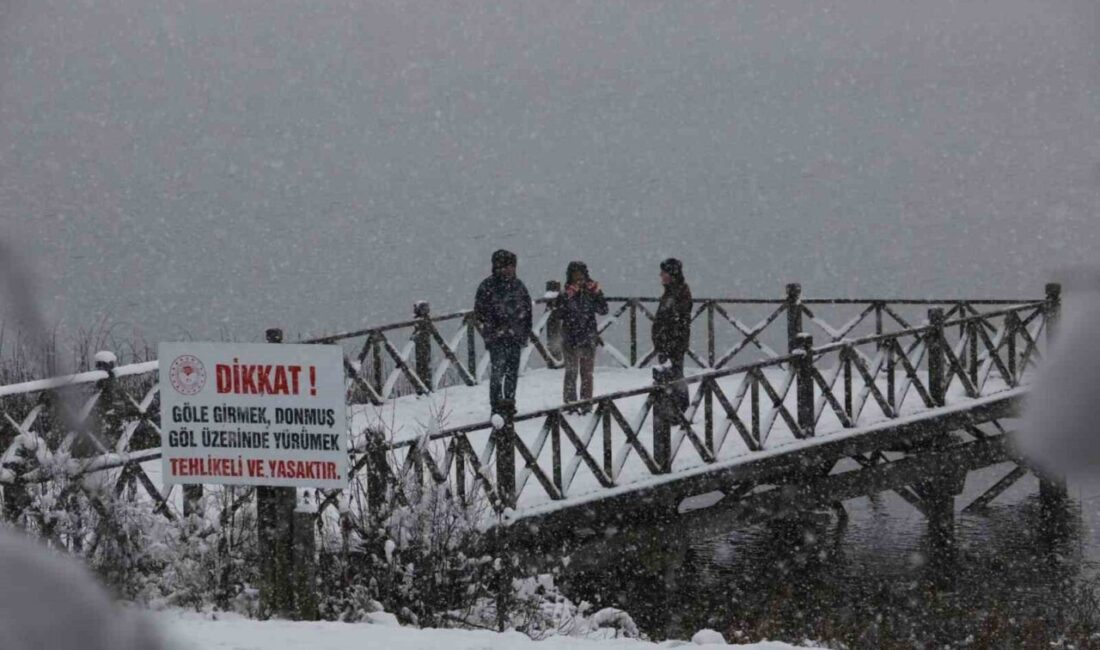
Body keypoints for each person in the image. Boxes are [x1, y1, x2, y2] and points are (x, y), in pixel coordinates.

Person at [474, 249, 533, 415]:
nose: (508, 270)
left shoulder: (519, 286)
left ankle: (509, 402)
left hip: (515, 337)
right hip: (497, 338)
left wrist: (524, 333)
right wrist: (494, 326)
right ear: (496, 267)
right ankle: (496, 405)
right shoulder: (487, 286)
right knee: (498, 373)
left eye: (510, 266)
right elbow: (479, 312)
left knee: (512, 373)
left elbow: (527, 311)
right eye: (504, 266)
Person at [556, 261, 608, 411]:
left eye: (581, 274)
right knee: (571, 372)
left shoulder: (591, 290)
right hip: (570, 337)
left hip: (588, 336)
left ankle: (586, 404)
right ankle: (570, 405)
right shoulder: (566, 292)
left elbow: (603, 310)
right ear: (570, 276)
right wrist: (569, 296)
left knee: (587, 373)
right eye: (575, 274)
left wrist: (596, 294)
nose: (579, 278)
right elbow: (559, 313)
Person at [651, 257, 693, 411]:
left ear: (671, 274)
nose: (661, 275)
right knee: (672, 375)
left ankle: (678, 410)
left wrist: (668, 340)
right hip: (668, 342)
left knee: (674, 376)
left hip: (673, 342)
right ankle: (676, 409)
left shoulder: (678, 292)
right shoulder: (673, 292)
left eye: (663, 272)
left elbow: (678, 320)